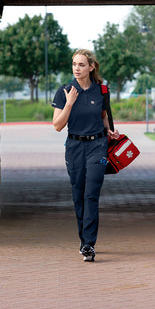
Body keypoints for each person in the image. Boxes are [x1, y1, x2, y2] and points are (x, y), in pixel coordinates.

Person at [52, 49, 119, 262]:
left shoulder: (102, 91)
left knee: (91, 194)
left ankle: (89, 243)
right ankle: (84, 240)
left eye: (81, 64)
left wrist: (110, 130)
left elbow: (104, 116)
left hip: (97, 146)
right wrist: (69, 102)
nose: (77, 68)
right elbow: (57, 125)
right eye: (74, 64)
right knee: (78, 195)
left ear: (91, 67)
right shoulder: (64, 91)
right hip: (74, 147)